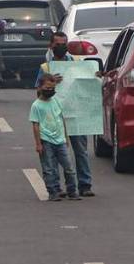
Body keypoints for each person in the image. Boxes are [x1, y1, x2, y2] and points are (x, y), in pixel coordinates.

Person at [34, 32, 97, 197]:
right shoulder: (46, 68)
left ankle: (84, 185)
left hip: (76, 114)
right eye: (57, 44)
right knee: (54, 154)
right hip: (54, 118)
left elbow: (88, 84)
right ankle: (57, 187)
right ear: (51, 46)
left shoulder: (77, 63)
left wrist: (96, 76)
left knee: (80, 150)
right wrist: (49, 83)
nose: (61, 46)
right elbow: (38, 92)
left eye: (64, 43)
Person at [30, 74, 78, 201]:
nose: (50, 90)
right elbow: (35, 125)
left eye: (52, 88)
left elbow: (61, 119)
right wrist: (38, 143)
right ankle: (53, 191)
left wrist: (66, 137)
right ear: (40, 88)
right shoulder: (36, 106)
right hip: (46, 141)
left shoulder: (56, 101)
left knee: (69, 167)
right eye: (47, 88)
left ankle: (72, 190)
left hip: (60, 140)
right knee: (49, 169)